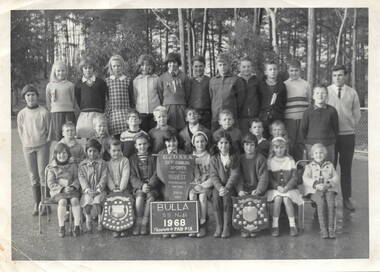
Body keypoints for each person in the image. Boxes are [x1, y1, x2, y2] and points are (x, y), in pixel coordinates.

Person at [327, 65, 361, 211]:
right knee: (330, 168)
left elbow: (357, 113)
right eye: (335, 75)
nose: (337, 78)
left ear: (345, 76)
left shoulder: (352, 92)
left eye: (340, 75)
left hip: (347, 135)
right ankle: (331, 198)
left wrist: (350, 124)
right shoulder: (326, 91)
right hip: (330, 136)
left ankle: (347, 198)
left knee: (346, 168)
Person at [17, 84, 52, 216]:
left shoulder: (43, 112)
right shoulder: (21, 114)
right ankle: (37, 204)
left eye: (33, 95)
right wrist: (25, 143)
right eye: (28, 95)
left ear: (37, 96)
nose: (30, 97)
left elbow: (49, 132)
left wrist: (46, 144)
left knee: (43, 175)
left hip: (42, 146)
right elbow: (20, 131)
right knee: (33, 176)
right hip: (28, 147)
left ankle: (45, 203)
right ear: (24, 98)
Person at [267, 137, 303, 237]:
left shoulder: (290, 160)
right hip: (275, 189)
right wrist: (277, 186)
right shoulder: (270, 161)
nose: (279, 150)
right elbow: (269, 178)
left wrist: (287, 187)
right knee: (278, 199)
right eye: (276, 147)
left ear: (285, 148)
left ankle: (292, 225)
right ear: (273, 148)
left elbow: (295, 177)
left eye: (282, 147)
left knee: (287, 199)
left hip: (290, 188)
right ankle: (275, 225)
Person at [302, 143, 339, 239]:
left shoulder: (329, 165)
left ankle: (331, 229)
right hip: (315, 191)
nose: (319, 155)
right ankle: (323, 229)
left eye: (321, 153)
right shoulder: (309, 166)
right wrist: (315, 184)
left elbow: (336, 177)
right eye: (316, 153)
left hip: (328, 189)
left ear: (325, 154)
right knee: (321, 203)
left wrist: (329, 183)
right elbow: (305, 178)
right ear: (312, 155)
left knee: (331, 203)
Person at [209, 130, 240, 238]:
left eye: (226, 143)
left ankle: (227, 226)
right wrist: (219, 187)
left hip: (230, 187)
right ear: (217, 145)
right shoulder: (214, 159)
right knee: (216, 198)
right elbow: (213, 175)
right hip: (218, 187)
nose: (224, 145)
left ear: (230, 144)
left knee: (227, 199)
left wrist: (226, 188)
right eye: (221, 143)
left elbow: (234, 175)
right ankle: (219, 226)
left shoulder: (234, 157)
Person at [46, 143, 81, 238]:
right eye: (59, 153)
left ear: (68, 154)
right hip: (59, 192)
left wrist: (73, 186)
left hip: (71, 190)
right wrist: (62, 188)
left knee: (75, 200)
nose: (62, 155)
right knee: (63, 201)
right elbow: (51, 183)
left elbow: (77, 178)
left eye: (64, 153)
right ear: (55, 155)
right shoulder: (52, 167)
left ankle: (77, 226)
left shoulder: (73, 165)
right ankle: (61, 226)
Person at [237, 133, 268, 238]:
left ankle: (255, 227)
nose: (249, 148)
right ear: (243, 146)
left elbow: (263, 177)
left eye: (251, 145)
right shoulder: (240, 159)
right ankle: (245, 228)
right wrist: (240, 190)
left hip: (257, 188)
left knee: (255, 203)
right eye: (246, 145)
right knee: (242, 202)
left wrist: (258, 190)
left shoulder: (260, 158)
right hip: (244, 188)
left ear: (255, 146)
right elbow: (238, 177)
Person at [130, 133, 160, 235]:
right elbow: (132, 176)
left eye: (144, 144)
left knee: (150, 198)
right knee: (139, 198)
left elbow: (157, 173)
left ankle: (145, 223)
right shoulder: (132, 159)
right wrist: (141, 185)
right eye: (139, 144)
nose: (142, 146)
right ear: (135, 146)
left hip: (152, 186)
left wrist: (150, 185)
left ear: (148, 144)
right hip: (139, 186)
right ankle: (138, 221)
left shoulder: (154, 157)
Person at [157, 130, 185, 238]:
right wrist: (170, 184)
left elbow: (185, 170)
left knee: (178, 196)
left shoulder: (182, 154)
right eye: (168, 142)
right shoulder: (161, 154)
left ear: (178, 142)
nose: (171, 144)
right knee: (167, 195)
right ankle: (167, 227)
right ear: (164, 143)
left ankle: (176, 227)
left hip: (180, 183)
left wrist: (177, 183)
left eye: (174, 141)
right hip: (165, 183)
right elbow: (159, 173)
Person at [301, 85, 339, 163]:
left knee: (328, 170)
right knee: (313, 170)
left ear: (327, 96)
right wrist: (306, 145)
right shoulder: (307, 112)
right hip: (311, 146)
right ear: (313, 96)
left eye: (323, 93)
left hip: (328, 145)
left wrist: (331, 141)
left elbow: (336, 129)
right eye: (317, 93)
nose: (320, 95)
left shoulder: (332, 111)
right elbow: (303, 130)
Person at [209, 53, 246, 131]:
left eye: (225, 64)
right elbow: (211, 97)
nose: (222, 67)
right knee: (216, 137)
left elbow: (241, 100)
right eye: (220, 65)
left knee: (232, 136)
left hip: (230, 116)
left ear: (229, 65)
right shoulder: (212, 80)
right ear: (217, 66)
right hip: (216, 116)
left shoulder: (236, 80)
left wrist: (233, 110)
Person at [75, 56, 108, 139]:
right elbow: (78, 98)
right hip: (85, 114)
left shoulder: (100, 82)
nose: (88, 70)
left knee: (99, 134)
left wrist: (102, 111)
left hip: (98, 112)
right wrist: (83, 108)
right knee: (85, 133)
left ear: (93, 69)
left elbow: (103, 97)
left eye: (90, 67)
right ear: (82, 69)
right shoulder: (79, 83)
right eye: (85, 68)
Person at [284, 60, 311, 161]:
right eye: (291, 70)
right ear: (288, 71)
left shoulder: (306, 84)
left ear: (300, 71)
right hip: (289, 119)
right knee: (290, 143)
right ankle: (290, 167)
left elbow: (309, 102)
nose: (294, 73)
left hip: (302, 118)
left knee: (300, 143)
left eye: (296, 70)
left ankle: (299, 166)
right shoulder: (285, 84)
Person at [79, 139, 107, 233]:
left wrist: (98, 189)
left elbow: (104, 177)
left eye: (95, 151)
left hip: (99, 190)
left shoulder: (102, 164)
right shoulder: (82, 165)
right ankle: (88, 218)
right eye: (90, 151)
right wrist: (87, 189)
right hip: (88, 190)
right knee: (87, 202)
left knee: (98, 201)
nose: (92, 153)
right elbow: (82, 178)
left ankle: (100, 219)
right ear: (86, 152)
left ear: (99, 151)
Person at [188, 131, 213, 238]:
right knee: (192, 196)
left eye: (202, 141)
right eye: (197, 142)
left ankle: (203, 223)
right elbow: (188, 174)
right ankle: (194, 223)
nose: (200, 144)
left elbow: (213, 175)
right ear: (193, 143)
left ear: (206, 142)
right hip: (194, 184)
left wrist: (204, 185)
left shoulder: (210, 157)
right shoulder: (190, 157)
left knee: (202, 196)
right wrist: (194, 184)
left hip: (206, 185)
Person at [158, 52, 190, 131]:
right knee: (169, 129)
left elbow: (188, 93)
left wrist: (183, 104)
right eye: (170, 62)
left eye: (174, 62)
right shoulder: (162, 77)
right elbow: (160, 93)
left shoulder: (184, 77)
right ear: (167, 64)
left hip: (181, 107)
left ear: (178, 63)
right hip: (167, 107)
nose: (172, 64)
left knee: (182, 128)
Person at [46, 60, 76, 141]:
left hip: (69, 113)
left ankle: (70, 152)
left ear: (66, 71)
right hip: (56, 114)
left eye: (63, 70)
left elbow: (73, 100)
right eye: (58, 71)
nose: (61, 73)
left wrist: (70, 108)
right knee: (58, 136)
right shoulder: (50, 85)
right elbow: (48, 102)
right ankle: (60, 152)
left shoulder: (70, 85)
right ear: (54, 72)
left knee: (69, 135)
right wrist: (54, 110)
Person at [106, 139, 131, 238]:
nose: (117, 153)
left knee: (125, 203)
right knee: (113, 205)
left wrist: (121, 188)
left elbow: (125, 175)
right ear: (109, 151)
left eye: (119, 150)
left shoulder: (125, 161)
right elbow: (108, 178)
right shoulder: (107, 163)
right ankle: (116, 227)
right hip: (112, 190)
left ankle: (124, 227)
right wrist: (113, 189)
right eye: (114, 150)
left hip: (123, 189)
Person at [132, 54, 161, 132]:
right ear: (139, 66)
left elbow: (160, 95)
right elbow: (135, 97)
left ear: (151, 66)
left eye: (147, 65)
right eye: (142, 65)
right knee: (143, 134)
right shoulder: (136, 80)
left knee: (154, 134)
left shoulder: (157, 79)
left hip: (155, 113)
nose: (145, 67)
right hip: (141, 113)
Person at [257, 60, 287, 137]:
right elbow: (258, 100)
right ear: (265, 72)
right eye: (270, 69)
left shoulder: (281, 85)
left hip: (278, 117)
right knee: (265, 138)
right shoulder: (260, 85)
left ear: (277, 71)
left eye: (275, 69)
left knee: (277, 139)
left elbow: (284, 101)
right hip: (264, 118)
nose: (273, 71)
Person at [105, 55, 131, 138]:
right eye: (114, 66)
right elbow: (106, 98)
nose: (117, 68)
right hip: (113, 114)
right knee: (115, 138)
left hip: (125, 112)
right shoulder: (107, 81)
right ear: (111, 67)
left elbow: (131, 97)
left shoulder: (127, 80)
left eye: (119, 66)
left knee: (126, 136)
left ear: (122, 66)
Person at [188, 55, 212, 129]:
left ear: (204, 66)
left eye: (201, 66)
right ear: (192, 67)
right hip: (193, 114)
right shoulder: (189, 81)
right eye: (196, 66)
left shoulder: (210, 80)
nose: (198, 68)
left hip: (207, 114)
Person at [238, 58, 260, 134]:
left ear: (252, 67)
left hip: (255, 116)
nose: (246, 69)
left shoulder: (257, 80)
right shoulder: (236, 81)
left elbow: (261, 97)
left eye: (248, 66)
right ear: (240, 68)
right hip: (241, 117)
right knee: (244, 139)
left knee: (255, 139)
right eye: (244, 67)